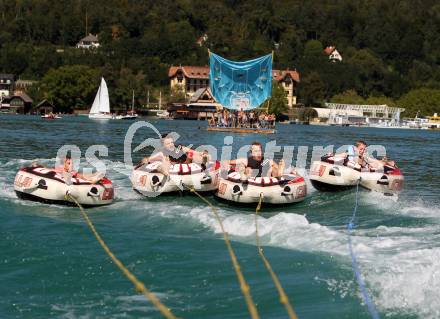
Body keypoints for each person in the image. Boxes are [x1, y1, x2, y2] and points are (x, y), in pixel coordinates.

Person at [141, 133, 210, 175]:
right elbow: (147, 159)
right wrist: (145, 161)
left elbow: (194, 152)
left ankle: (203, 161)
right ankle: (163, 170)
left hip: (187, 163)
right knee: (166, 161)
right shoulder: (162, 153)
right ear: (163, 145)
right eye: (168, 144)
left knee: (192, 155)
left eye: (172, 142)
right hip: (173, 166)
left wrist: (201, 153)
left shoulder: (180, 148)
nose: (171, 145)